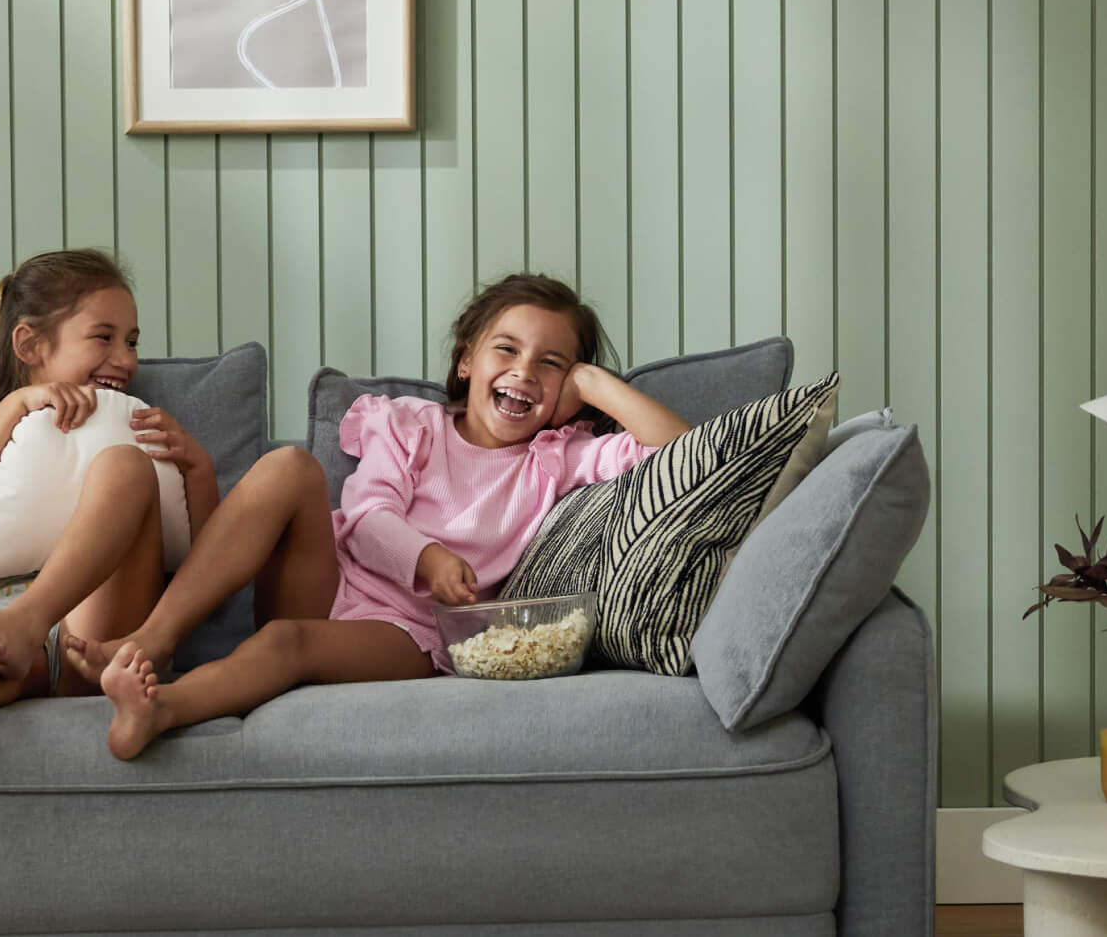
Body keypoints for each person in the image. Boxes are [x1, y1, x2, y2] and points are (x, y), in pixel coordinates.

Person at [61, 272, 693, 760]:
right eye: (507, 349)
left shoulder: (559, 458)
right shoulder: (411, 425)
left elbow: (686, 452)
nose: (524, 372)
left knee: (286, 643)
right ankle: (155, 637)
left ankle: (161, 708)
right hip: (327, 585)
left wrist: (595, 382)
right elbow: (366, 515)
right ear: (466, 359)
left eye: (550, 364)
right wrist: (425, 555)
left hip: (414, 634)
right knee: (290, 467)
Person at [0, 248, 217, 775]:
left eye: (131, 341)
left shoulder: (142, 424)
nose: (126, 359)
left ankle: (25, 624)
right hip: (2, 622)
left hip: (102, 636)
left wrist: (197, 468)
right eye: (103, 337)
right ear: (30, 345)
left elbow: (205, 558)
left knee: (126, 468)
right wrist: (15, 408)